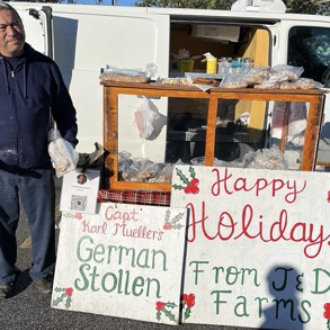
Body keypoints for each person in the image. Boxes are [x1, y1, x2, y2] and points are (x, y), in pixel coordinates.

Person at [0, 3, 78, 298]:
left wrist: (66, 143)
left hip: (38, 163)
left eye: (15, 23)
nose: (12, 31)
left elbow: (66, 113)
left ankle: (43, 272)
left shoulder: (45, 67)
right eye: (3, 27)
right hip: (0, 167)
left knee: (43, 222)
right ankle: (5, 274)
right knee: (2, 225)